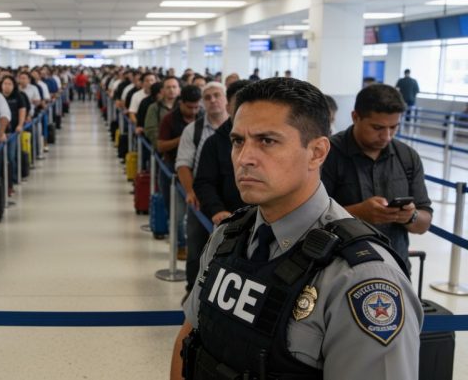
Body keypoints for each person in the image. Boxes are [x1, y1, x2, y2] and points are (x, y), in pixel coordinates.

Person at [171, 77, 422, 380]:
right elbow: (189, 340)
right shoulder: (228, 236)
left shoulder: (359, 278)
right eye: (238, 141)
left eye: (267, 141)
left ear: (317, 152)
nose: (244, 159)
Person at [322, 84, 432, 265]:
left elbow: (424, 223)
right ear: (355, 117)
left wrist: (409, 216)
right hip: (338, 269)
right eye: (377, 127)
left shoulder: (407, 157)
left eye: (393, 127)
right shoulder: (327, 155)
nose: (387, 136)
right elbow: (308, 219)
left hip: (395, 267)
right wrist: (358, 213)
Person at [174, 82, 228, 294]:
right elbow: (183, 164)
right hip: (201, 198)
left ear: (226, 99)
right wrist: (190, 191)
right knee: (196, 247)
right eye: (208, 97)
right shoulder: (193, 130)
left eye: (217, 95)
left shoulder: (238, 129)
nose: (213, 100)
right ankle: (192, 292)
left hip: (228, 199)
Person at [194, 80, 251, 227]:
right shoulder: (213, 143)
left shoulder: (270, 140)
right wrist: (217, 210)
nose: (245, 110)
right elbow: (204, 182)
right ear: (228, 108)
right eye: (239, 105)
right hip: (228, 220)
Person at [157, 85, 203, 259]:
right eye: (189, 107)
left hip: (196, 170)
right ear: (181, 103)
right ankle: (180, 245)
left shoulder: (202, 118)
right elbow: (161, 145)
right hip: (171, 169)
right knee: (176, 212)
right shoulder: (169, 119)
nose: (193, 111)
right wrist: (184, 138)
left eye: (196, 107)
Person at [0, 75, 27, 191]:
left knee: (11, 156)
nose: (7, 86)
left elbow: (22, 111)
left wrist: (20, 125)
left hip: (12, 131)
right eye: (5, 83)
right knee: (0, 158)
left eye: (9, 84)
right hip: (0, 132)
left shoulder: (18, 96)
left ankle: (13, 178)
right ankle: (3, 180)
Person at [144, 76, 180, 147]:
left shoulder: (183, 107)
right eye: (168, 87)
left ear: (179, 90)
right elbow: (151, 130)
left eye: (174, 87)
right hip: (162, 145)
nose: (171, 90)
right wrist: (163, 144)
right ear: (162, 91)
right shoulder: (154, 107)